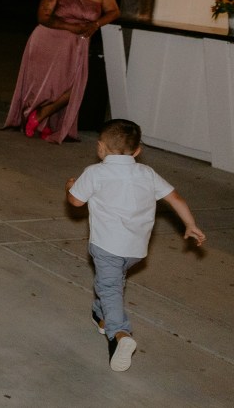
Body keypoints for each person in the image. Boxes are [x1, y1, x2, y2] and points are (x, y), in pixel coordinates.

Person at [66, 119, 205, 372]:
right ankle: (102, 315)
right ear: (138, 150)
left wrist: (69, 187)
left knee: (109, 287)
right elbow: (175, 197)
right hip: (136, 249)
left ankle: (120, 335)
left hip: (107, 246)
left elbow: (75, 202)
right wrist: (190, 224)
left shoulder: (95, 172)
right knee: (111, 283)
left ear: (100, 147)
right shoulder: (147, 174)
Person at [4, 0, 120, 143]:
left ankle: (40, 115)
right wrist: (70, 27)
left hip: (79, 44)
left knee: (74, 86)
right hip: (48, 40)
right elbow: (43, 17)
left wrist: (96, 24)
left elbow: (114, 11)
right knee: (48, 85)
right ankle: (42, 121)